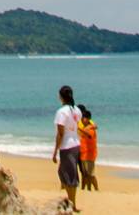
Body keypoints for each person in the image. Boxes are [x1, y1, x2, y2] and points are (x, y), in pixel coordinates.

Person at [49, 85, 82, 213]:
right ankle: (71, 202)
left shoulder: (62, 112)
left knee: (69, 176)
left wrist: (55, 151)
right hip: (75, 144)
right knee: (66, 173)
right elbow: (76, 127)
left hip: (67, 146)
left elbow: (60, 133)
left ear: (61, 96)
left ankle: (72, 204)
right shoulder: (76, 110)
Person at [77, 104, 100, 192]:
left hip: (89, 152)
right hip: (81, 150)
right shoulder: (78, 121)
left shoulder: (90, 124)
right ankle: (84, 189)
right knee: (84, 172)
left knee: (89, 173)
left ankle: (93, 189)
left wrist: (81, 128)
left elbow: (91, 131)